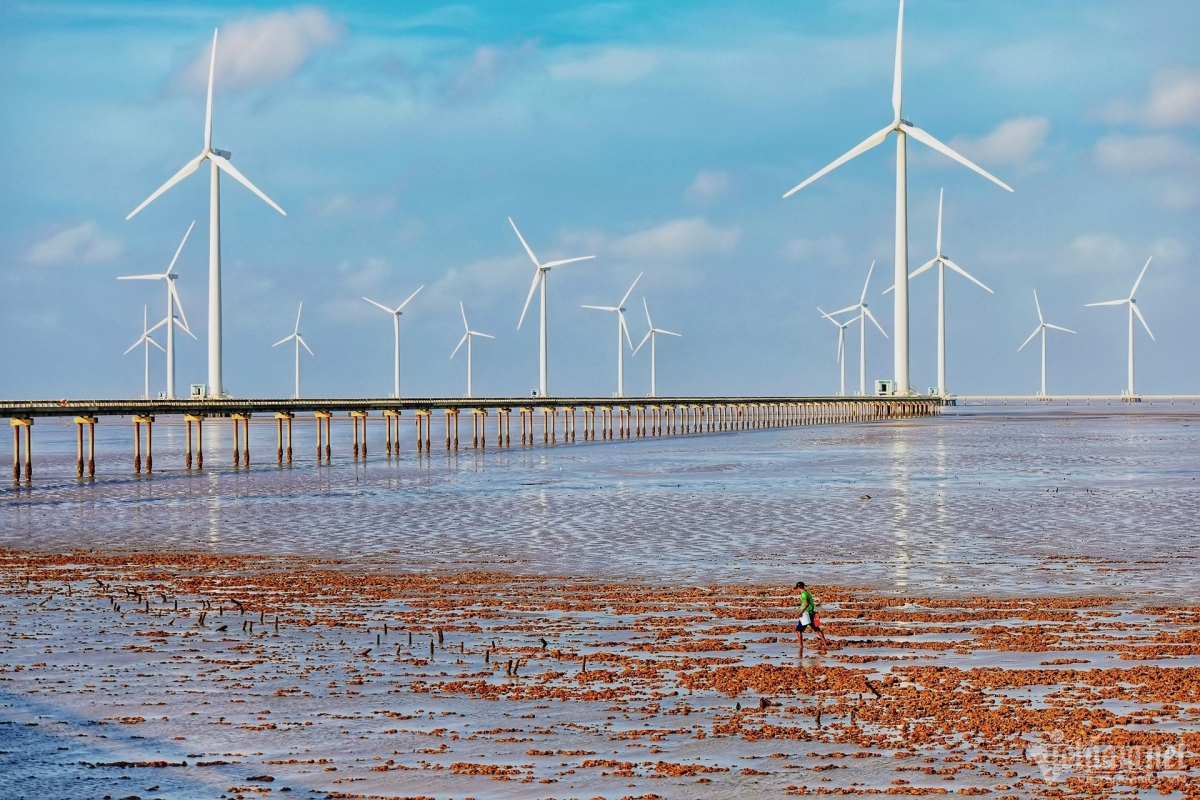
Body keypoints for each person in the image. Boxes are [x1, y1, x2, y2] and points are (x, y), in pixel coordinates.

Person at [793, 581, 827, 656]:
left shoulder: (803, 594)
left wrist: (801, 612)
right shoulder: (807, 593)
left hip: (806, 614)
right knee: (817, 629)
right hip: (812, 613)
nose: (796, 591)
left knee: (798, 630)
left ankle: (801, 646)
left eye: (797, 589)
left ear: (799, 588)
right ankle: (825, 642)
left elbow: (807, 604)